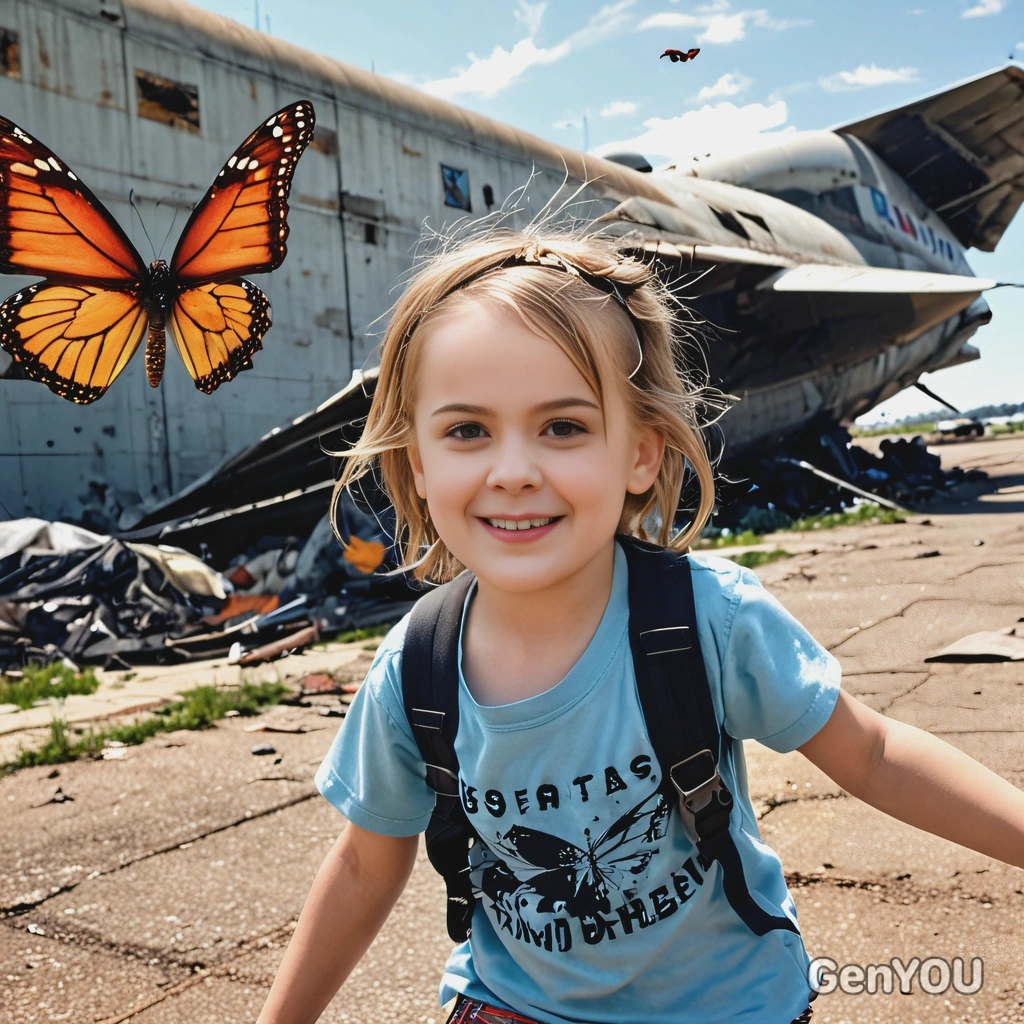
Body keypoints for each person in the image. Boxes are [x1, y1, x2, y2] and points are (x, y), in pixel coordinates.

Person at [255, 230, 1024, 1024]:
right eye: (466, 431)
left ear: (642, 455)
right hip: (512, 1002)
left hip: (729, 1005)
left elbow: (873, 753)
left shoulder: (710, 619)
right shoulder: (412, 670)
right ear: (417, 463)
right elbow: (363, 866)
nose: (513, 469)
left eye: (563, 427)